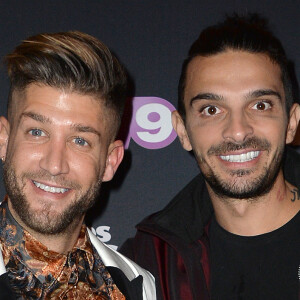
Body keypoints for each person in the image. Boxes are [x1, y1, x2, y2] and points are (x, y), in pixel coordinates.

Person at [121, 14, 300, 300]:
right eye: (211, 110)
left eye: (260, 104)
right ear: (183, 131)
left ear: (291, 123)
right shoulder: (148, 262)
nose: (238, 131)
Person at [0, 31, 155, 299]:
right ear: (4, 140)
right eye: (37, 132)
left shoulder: (137, 285)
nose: (54, 164)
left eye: (80, 141)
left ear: (110, 162)